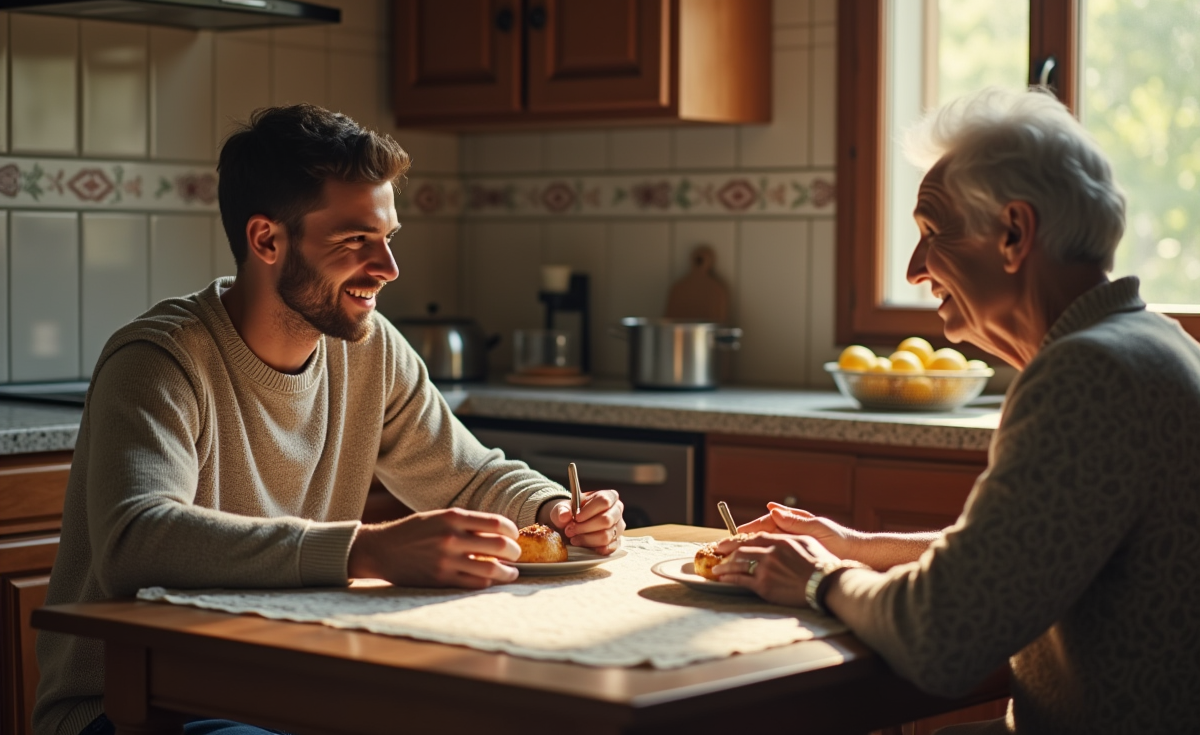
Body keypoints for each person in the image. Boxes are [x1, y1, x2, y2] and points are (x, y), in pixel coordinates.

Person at [34, 104, 626, 735]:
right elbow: (137, 541)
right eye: (355, 242)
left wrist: (552, 510)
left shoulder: (367, 347)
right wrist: (364, 549)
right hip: (132, 707)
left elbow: (465, 475)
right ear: (266, 240)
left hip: (290, 687)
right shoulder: (159, 359)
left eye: (388, 238)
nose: (388, 268)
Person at [713, 87, 1200, 733]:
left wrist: (818, 578)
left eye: (932, 235)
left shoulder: (1089, 374)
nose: (915, 270)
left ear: (1014, 233)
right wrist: (858, 546)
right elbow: (1008, 559)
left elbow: (939, 638)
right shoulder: (1149, 341)